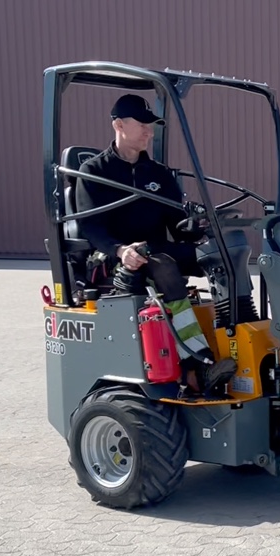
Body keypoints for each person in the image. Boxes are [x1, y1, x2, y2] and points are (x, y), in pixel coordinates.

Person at [74, 93, 236, 395]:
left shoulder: (159, 173)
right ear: (119, 125)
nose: (149, 132)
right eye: (142, 124)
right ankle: (197, 364)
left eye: (151, 125)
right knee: (164, 266)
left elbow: (177, 224)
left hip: (156, 249)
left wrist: (198, 229)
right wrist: (120, 250)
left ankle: (237, 345)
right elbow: (90, 226)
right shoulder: (94, 172)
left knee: (223, 257)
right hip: (116, 256)